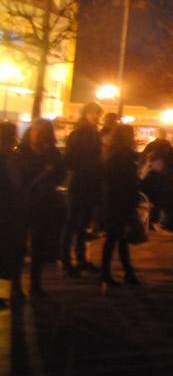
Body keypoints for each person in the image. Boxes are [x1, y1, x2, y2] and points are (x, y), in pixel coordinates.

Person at [16, 119, 67, 299]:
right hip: (24, 204)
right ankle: (17, 285)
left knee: (39, 245)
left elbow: (61, 174)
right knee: (20, 245)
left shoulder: (52, 153)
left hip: (44, 204)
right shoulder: (22, 152)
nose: (37, 134)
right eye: (35, 130)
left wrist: (51, 179)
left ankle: (35, 284)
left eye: (42, 131)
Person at [61, 101, 103, 277]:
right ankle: (70, 260)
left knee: (79, 224)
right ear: (86, 113)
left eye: (98, 114)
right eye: (94, 114)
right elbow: (73, 159)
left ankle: (77, 259)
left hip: (84, 183)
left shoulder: (88, 132)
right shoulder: (83, 133)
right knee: (74, 223)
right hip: (82, 183)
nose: (96, 118)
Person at [100, 124, 142, 291]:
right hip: (121, 201)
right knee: (116, 237)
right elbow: (126, 181)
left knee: (116, 237)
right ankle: (116, 272)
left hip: (112, 201)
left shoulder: (111, 154)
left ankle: (123, 271)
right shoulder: (124, 156)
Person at [0, 121, 22, 307]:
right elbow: (16, 184)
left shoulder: (12, 157)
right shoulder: (11, 158)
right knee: (7, 252)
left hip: (8, 211)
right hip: (8, 212)